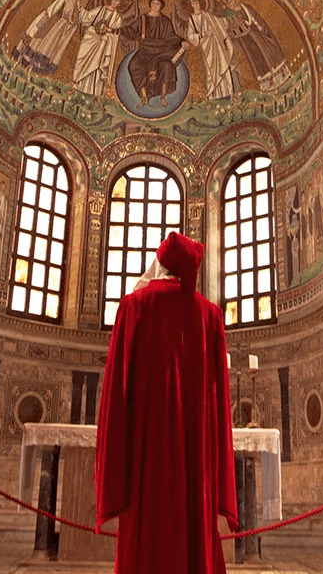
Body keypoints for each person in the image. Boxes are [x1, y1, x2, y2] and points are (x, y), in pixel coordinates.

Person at [95, 232, 238, 574]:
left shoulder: (133, 306)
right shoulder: (210, 315)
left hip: (147, 451)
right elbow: (217, 402)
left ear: (158, 264)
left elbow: (117, 388)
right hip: (195, 453)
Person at [121, 0, 187, 107]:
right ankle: (143, 97)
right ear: (150, 4)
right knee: (133, 65)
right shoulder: (143, 19)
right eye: (153, 3)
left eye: (158, 3)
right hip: (145, 52)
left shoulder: (165, 20)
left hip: (161, 52)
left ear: (161, 6)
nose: (155, 5)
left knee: (166, 66)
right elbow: (130, 30)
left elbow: (172, 37)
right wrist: (113, 30)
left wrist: (182, 41)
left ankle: (163, 97)